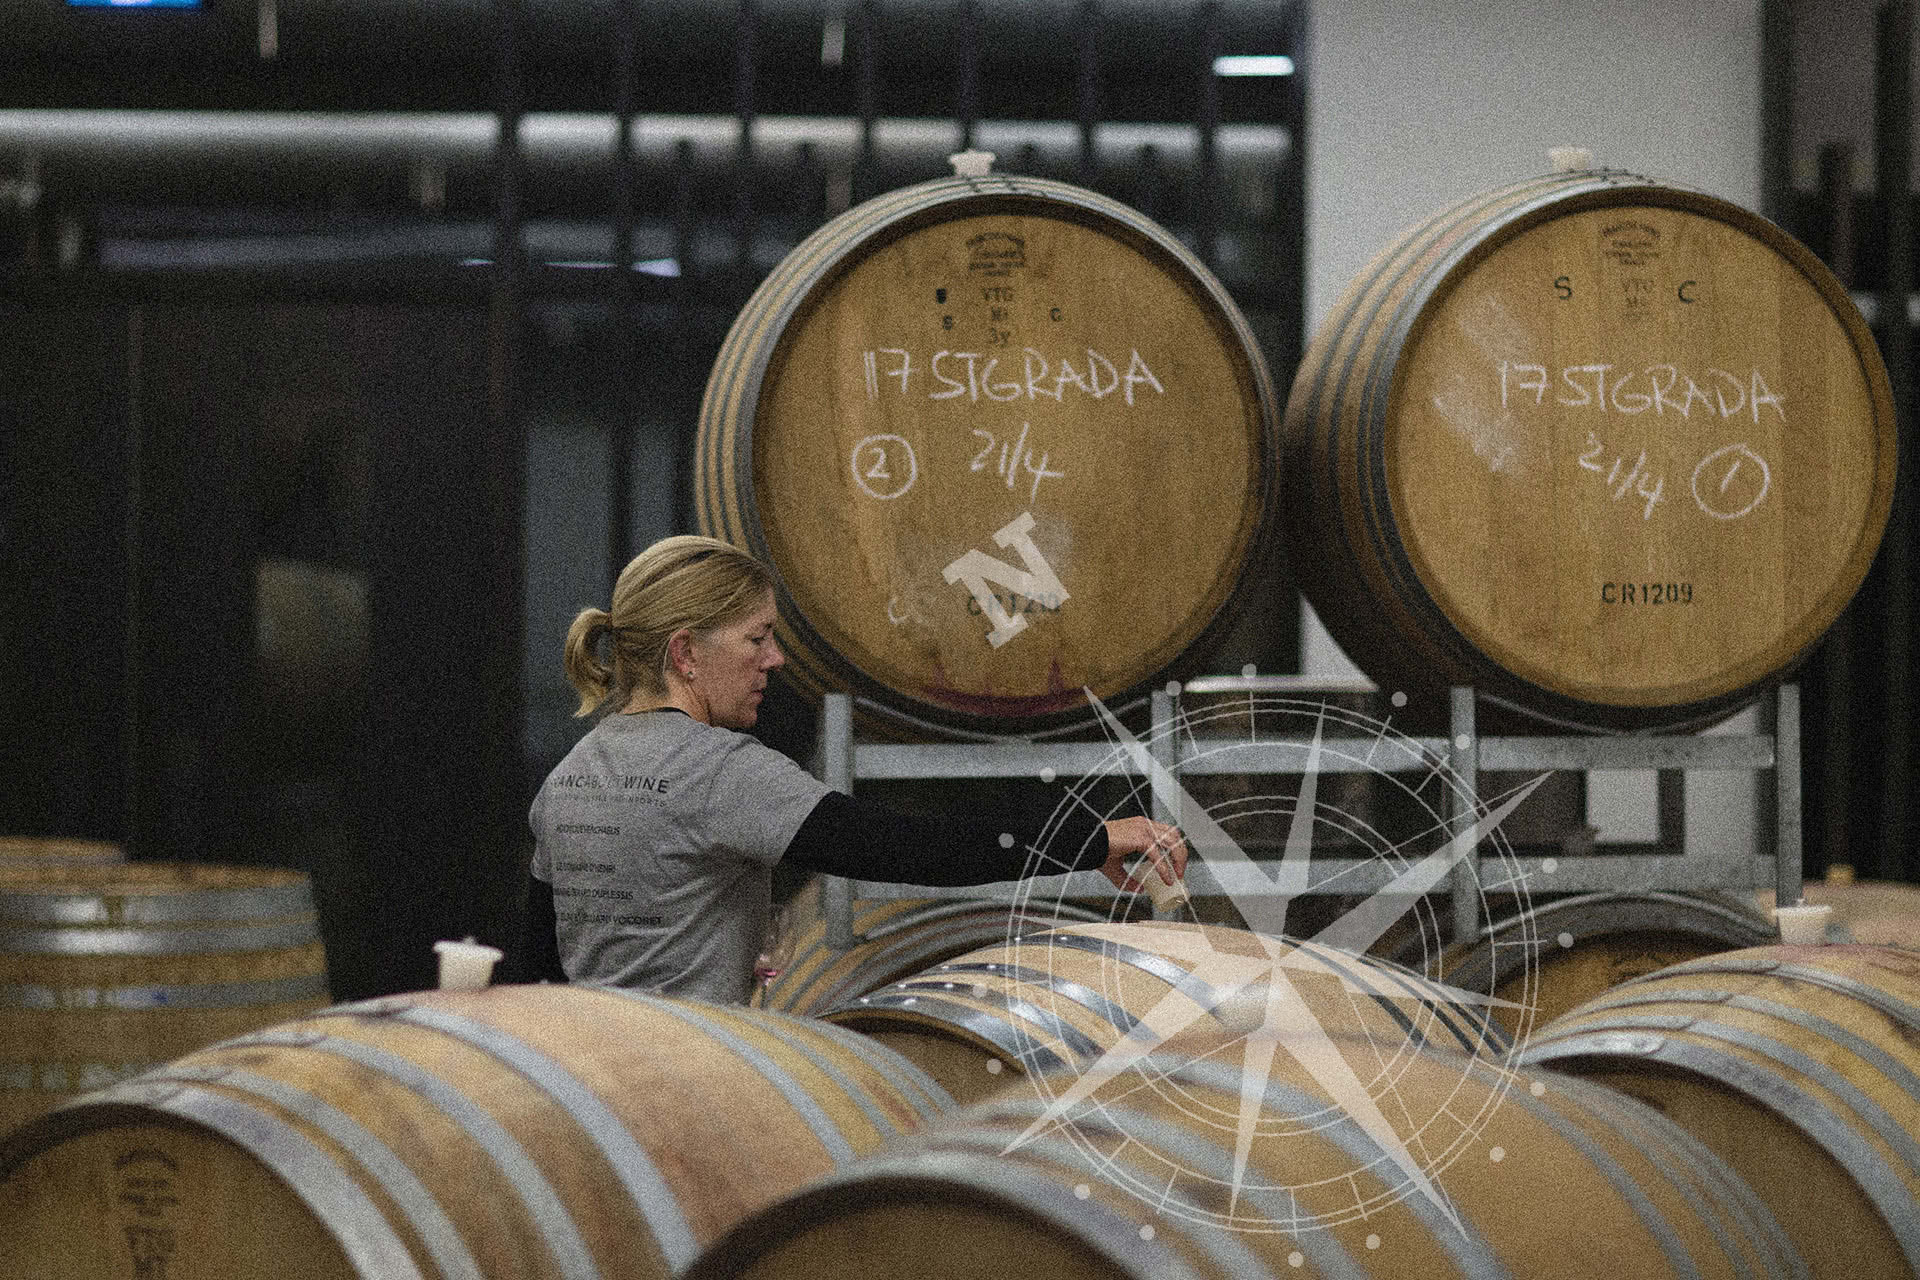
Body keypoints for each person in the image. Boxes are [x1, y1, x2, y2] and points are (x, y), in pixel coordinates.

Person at [512, 534, 1189, 1003]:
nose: (775, 659)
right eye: (757, 637)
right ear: (685, 654)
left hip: (588, 1086)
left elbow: (540, 969)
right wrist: (1093, 838)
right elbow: (907, 850)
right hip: (695, 1088)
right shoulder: (722, 772)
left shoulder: (569, 778)